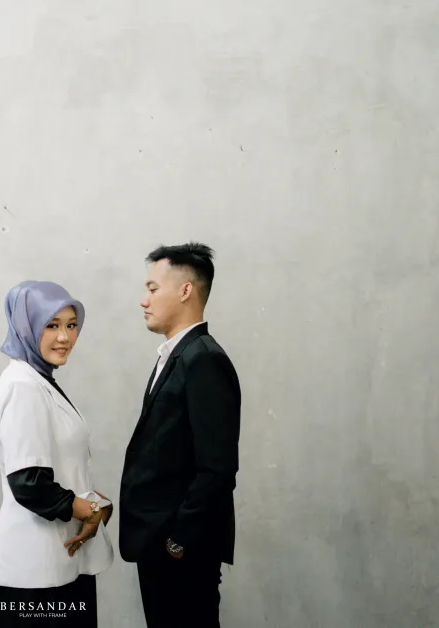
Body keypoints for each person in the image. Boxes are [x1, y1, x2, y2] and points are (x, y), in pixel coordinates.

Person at [118, 243, 242, 628]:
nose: (144, 300)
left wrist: (178, 542)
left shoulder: (204, 359)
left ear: (186, 290)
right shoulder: (176, 355)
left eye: (153, 289)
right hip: (159, 548)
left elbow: (217, 468)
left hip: (180, 553)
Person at [0, 281, 114, 627]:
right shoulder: (23, 387)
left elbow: (57, 466)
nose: (64, 337)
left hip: (59, 557)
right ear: (26, 326)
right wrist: (91, 511)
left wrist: (96, 504)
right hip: (37, 572)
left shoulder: (39, 381)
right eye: (51, 325)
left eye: (71, 325)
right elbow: (29, 483)